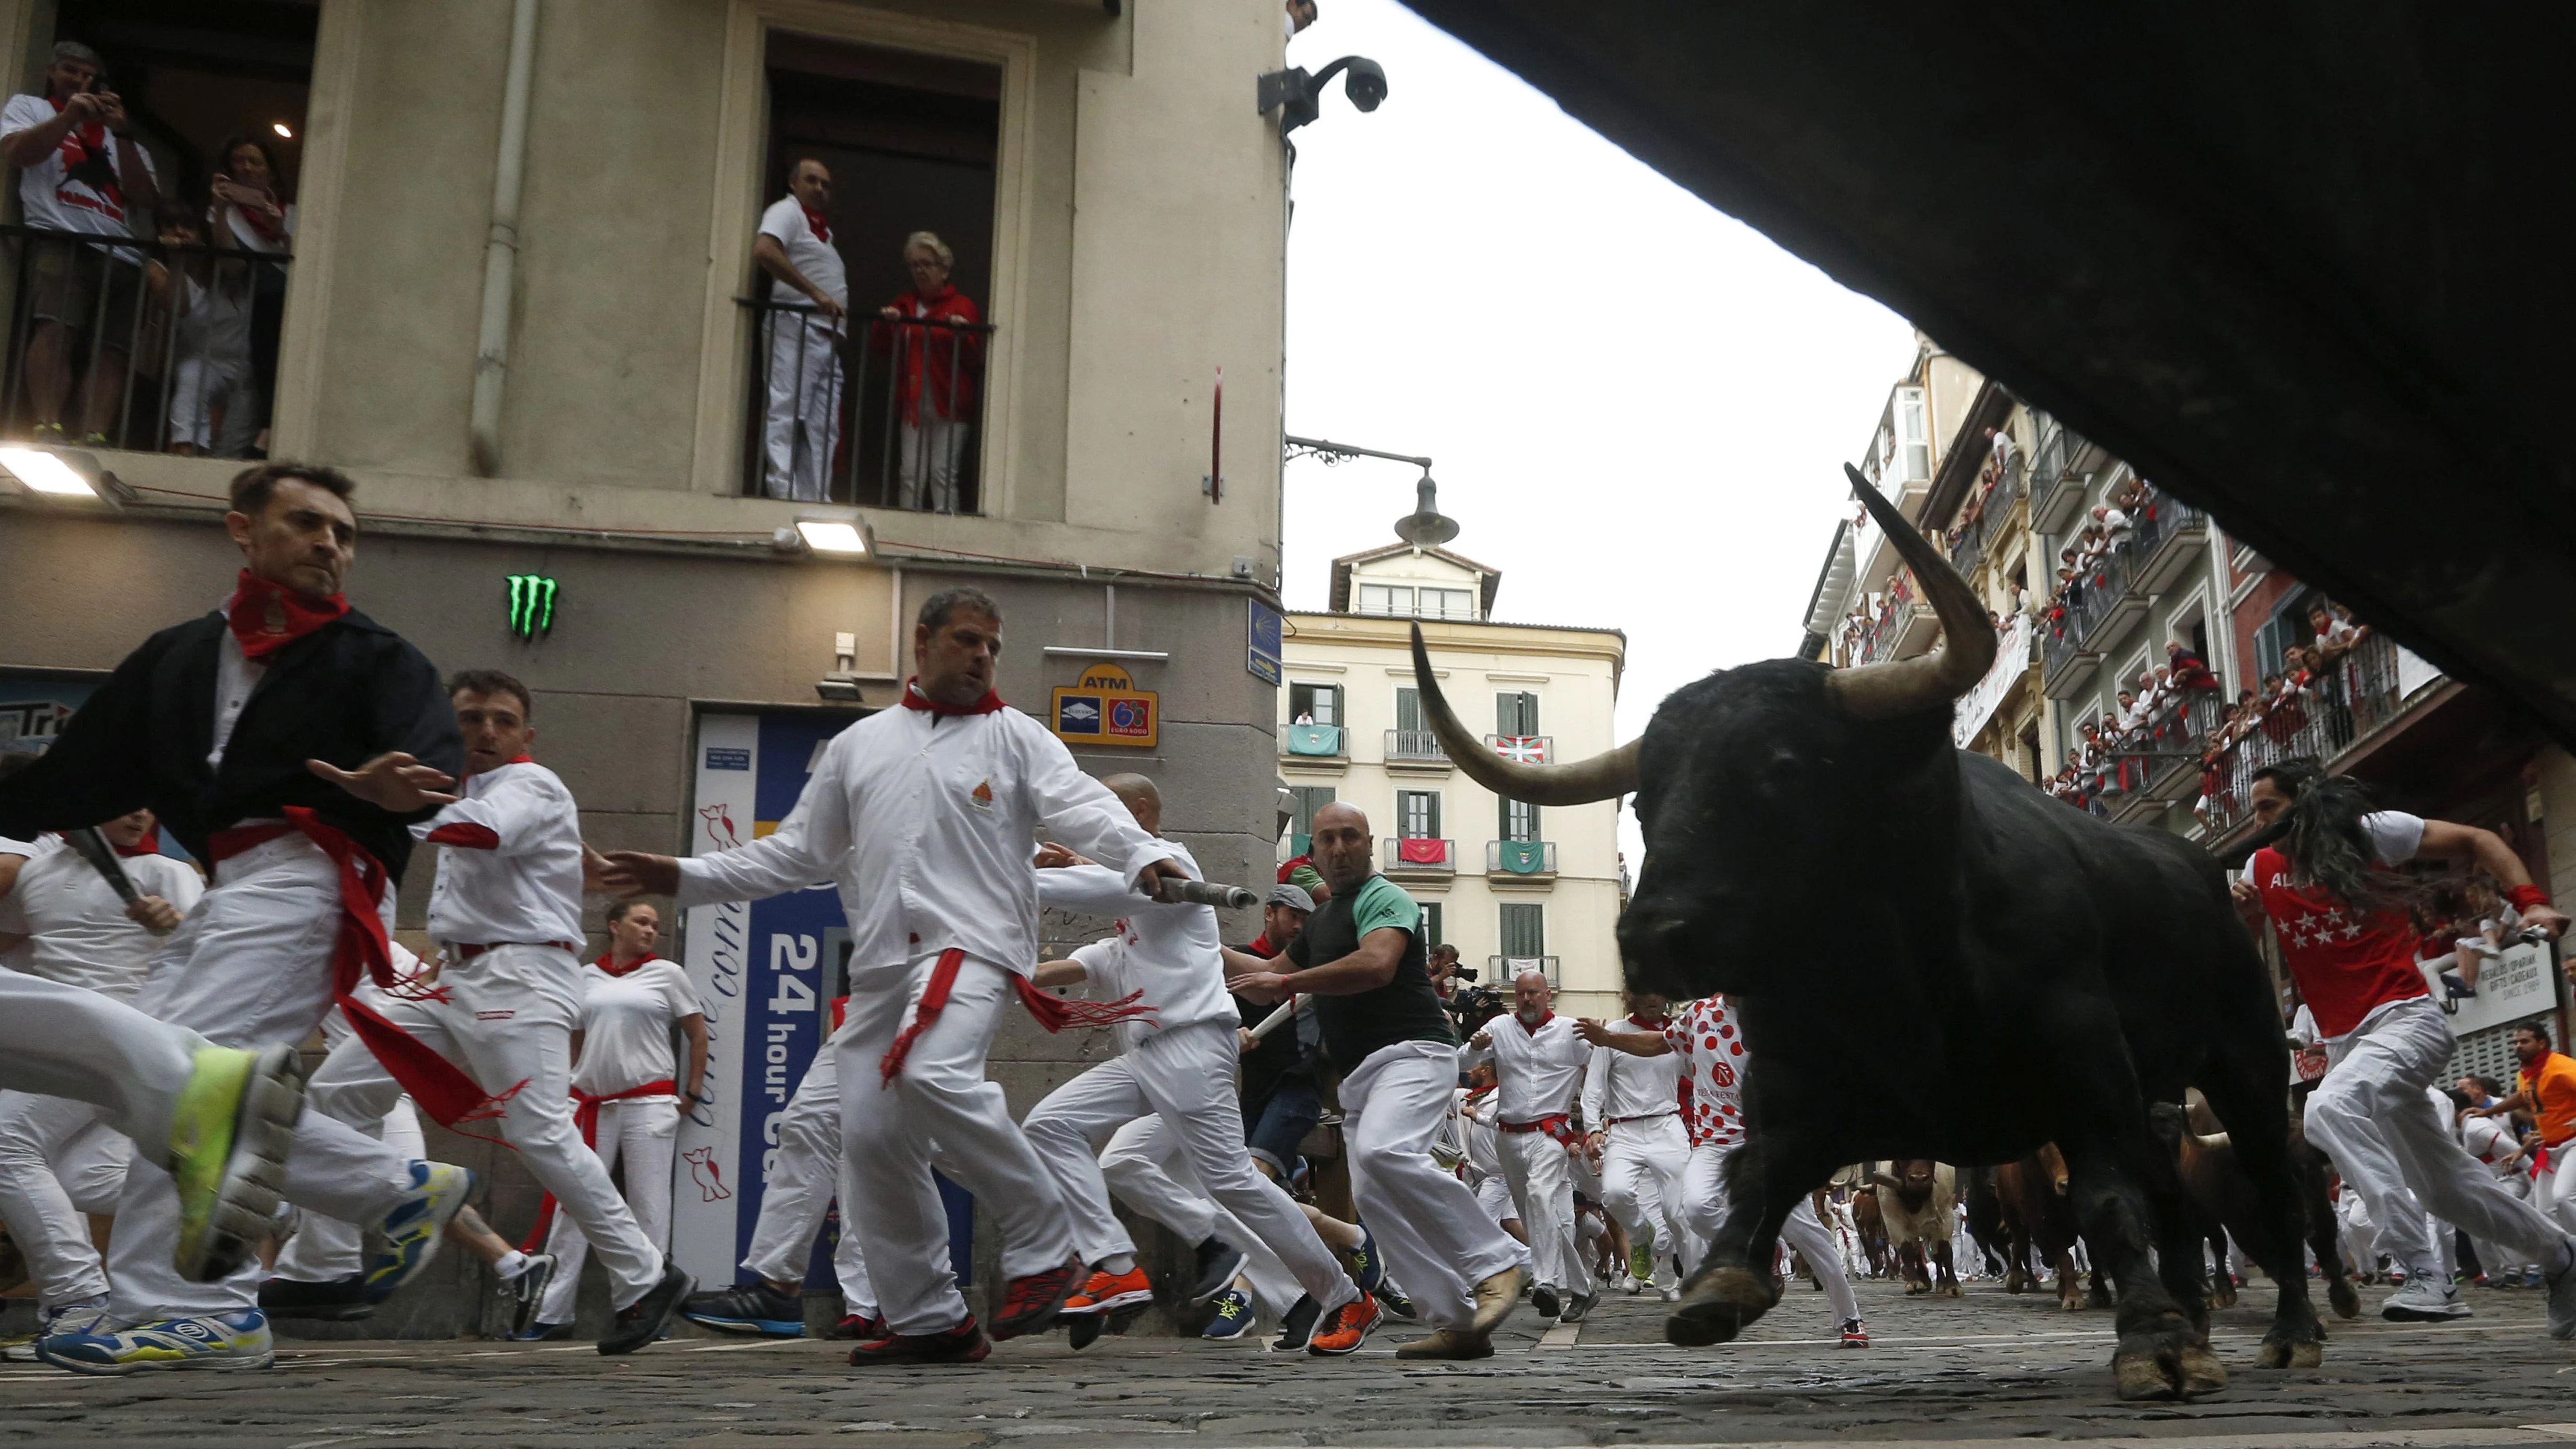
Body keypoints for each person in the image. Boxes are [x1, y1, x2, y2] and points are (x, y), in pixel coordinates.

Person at [601, 586, 1188, 1367]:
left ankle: (1052, 1245)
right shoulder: (859, 745)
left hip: (973, 948)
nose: (983, 656)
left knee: (934, 1070)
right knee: (873, 1139)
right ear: (923, 642)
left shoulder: (1017, 738)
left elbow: (1083, 806)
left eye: (993, 646)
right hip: (883, 966)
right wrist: (683, 876)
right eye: (968, 641)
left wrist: (1142, 855)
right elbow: (797, 854)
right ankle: (929, 1319)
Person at [0, 461, 481, 1373]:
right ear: (242, 529)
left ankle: (200, 1307)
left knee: (189, 1074)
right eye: (306, 524)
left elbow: (432, 760)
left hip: (312, 871)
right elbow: (81, 770)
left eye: (342, 532)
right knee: (166, 1077)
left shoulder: (375, 656)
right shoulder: (178, 656)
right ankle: (392, 1189)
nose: (328, 545)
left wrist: (390, 786)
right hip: (232, 884)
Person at [299, 670, 692, 1354]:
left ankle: (644, 1276)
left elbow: (480, 834)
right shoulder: (474, 790)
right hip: (455, 977)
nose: (486, 731)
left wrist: (383, 798)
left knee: (539, 1130)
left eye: (503, 720)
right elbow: (526, 851)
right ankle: (325, 1265)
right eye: (471, 718)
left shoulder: (528, 785)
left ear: (526, 735)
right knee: (336, 1090)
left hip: (521, 975)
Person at [1021, 779, 1370, 1353]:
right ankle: (1116, 1259)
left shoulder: (1173, 864)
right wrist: (1070, 867)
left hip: (1188, 1048)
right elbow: (1106, 915)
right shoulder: (1135, 896)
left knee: (1231, 1181)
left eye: (1096, 814)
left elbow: (1110, 890)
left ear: (1134, 813)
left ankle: (1339, 1293)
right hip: (1145, 1056)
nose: (1084, 822)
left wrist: (1004, 876)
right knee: (1050, 1125)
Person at [2231, 759, 2576, 1335]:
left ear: (2305, 800)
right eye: (2254, 811)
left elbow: (2476, 837)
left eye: (2268, 807)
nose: (2259, 821)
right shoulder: (2260, 865)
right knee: (2446, 1190)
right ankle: (2562, 1257)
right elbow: (2245, 954)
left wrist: (2531, 900)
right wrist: (2243, 915)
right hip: (2348, 1045)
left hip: (2406, 1019)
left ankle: (2423, 1271)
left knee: (2327, 1108)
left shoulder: (2368, 832)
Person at [1229, 803, 1526, 1360]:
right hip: (1361, 1077)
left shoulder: (1384, 898)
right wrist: (1189, 942)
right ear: (1312, 853)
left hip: (1412, 1053)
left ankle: (1496, 1261)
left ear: (1369, 844)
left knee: (1387, 1152)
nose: (1338, 848)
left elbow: (1375, 965)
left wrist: (1288, 979)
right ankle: (1456, 1321)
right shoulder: (1318, 922)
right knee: (1374, 1197)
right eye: (1327, 840)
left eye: (1349, 837)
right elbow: (1262, 982)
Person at [0, 808, 200, 1339]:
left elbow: (215, 958)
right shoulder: (38, 872)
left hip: (131, 1040)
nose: (140, 813)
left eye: (147, 801)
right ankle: (246, 1197)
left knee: (4, 1143)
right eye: (121, 799)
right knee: (86, 1179)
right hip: (58, 1039)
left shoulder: (169, 873)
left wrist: (178, 927)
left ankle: (79, 1299)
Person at [1580, 996, 1868, 1348]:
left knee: (1808, 1234)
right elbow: (1660, 1042)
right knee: (1697, 1210)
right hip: (1714, 1143)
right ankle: (1767, 1249)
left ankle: (1848, 1317)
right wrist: (1608, 1039)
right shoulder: (1700, 1013)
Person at [523, 898, 707, 1336]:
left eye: (655, 925)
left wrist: (692, 1094)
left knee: (649, 1208)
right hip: (591, 1106)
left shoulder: (668, 974)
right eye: (641, 922)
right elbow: (576, 1037)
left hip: (649, 1106)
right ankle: (552, 1314)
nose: (650, 930)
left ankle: (644, 1311)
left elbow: (698, 1034)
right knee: (576, 1204)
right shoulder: (584, 977)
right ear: (614, 926)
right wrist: (572, 1083)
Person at [0, 40, 160, 446]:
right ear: (51, 73)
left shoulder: (127, 140)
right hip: (61, 239)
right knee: (56, 330)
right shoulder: (30, 108)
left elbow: (145, 199)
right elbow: (18, 153)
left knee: (114, 350)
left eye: (89, 74)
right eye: (71, 70)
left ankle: (94, 434)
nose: (80, 79)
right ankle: (48, 424)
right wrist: (69, 116)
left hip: (122, 254)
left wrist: (122, 134)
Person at [1464, 969, 1596, 1322]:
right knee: (1535, 1217)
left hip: (1550, 1134)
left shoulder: (1572, 1031)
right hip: (1507, 1136)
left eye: (1534, 993)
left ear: (1547, 994)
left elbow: (1600, 1067)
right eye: (1521, 994)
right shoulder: (1499, 1027)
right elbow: (1463, 1064)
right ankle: (1583, 1289)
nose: (1527, 1000)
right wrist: (1473, 1048)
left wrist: (1597, 1124)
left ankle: (1545, 1283)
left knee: (1539, 1197)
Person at [1582, 990, 1692, 1298]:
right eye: (1645, 992)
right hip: (1624, 1129)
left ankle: (1681, 1280)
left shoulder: (1678, 1033)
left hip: (1667, 1126)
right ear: (1632, 997)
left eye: (1659, 991)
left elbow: (1700, 1074)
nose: (1652, 998)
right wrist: (1592, 1128)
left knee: (1678, 1212)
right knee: (1615, 1194)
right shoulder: (1613, 1033)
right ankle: (1641, 1236)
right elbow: (1594, 1088)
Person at [752, 158, 846, 503]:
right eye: (812, 180)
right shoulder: (786, 212)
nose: (820, 188)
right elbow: (764, 250)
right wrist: (815, 293)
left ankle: (814, 496)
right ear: (793, 182)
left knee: (824, 425)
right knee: (788, 410)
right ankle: (782, 493)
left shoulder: (822, 230)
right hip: (797, 326)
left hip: (824, 336)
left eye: (825, 184)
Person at [879, 231, 982, 514]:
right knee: (910, 473)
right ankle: (906, 532)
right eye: (915, 265)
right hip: (913, 401)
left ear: (945, 269)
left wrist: (963, 334)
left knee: (943, 473)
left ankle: (946, 538)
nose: (920, 270)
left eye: (927, 264)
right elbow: (881, 347)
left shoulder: (962, 306)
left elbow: (975, 358)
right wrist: (889, 325)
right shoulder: (904, 304)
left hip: (950, 402)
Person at [205, 132, 295, 455]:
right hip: (253, 308)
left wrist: (280, 231)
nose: (247, 168)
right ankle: (265, 434)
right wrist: (219, 210)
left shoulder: (294, 213)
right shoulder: (224, 216)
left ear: (269, 171)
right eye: (239, 161)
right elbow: (233, 267)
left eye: (255, 162)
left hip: (291, 307)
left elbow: (310, 264)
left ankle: (268, 433)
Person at [152, 217, 259, 458]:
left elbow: (233, 261)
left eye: (189, 226)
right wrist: (177, 261)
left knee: (233, 447)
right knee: (191, 379)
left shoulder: (230, 272)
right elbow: (177, 307)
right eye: (171, 225)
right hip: (204, 360)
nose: (180, 231)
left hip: (246, 367)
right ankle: (186, 456)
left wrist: (220, 210)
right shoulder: (168, 274)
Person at [2470, 1024, 2576, 1234]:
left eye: (2524, 1041)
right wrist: (2487, 1111)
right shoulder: (2526, 1073)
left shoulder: (2562, 1067)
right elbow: (2522, 1097)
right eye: (2515, 1042)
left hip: (2572, 1143)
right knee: (2545, 1210)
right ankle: (2568, 1256)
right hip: (2551, 1148)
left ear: (2542, 1043)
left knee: (2564, 1197)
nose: (2518, 1046)